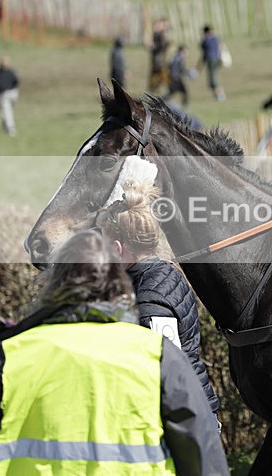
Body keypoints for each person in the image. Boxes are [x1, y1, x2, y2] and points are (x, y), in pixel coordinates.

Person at [0, 229, 229, 475]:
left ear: (54, 284)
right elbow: (202, 454)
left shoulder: (15, 355)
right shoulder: (157, 355)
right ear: (119, 284)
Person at [95, 176, 222, 427]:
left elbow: (170, 375)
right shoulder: (165, 272)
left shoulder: (150, 300)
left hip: (185, 424)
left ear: (118, 249)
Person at [0, 56, 19, 136]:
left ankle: (10, 128)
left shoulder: (2, 73)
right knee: (7, 111)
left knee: (7, 111)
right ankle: (8, 126)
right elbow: (16, 80)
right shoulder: (2, 73)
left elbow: (16, 80)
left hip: (9, 94)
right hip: (7, 94)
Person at [199, 25, 225, 101]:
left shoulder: (205, 40)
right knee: (214, 77)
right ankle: (217, 95)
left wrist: (200, 65)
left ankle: (220, 95)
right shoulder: (216, 38)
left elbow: (204, 52)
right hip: (217, 59)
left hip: (211, 60)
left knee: (213, 79)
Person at [147, 18, 171, 94]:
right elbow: (162, 45)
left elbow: (163, 45)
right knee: (162, 77)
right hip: (159, 61)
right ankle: (155, 91)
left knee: (160, 77)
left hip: (160, 60)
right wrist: (152, 46)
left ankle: (153, 91)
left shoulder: (160, 34)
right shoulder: (158, 35)